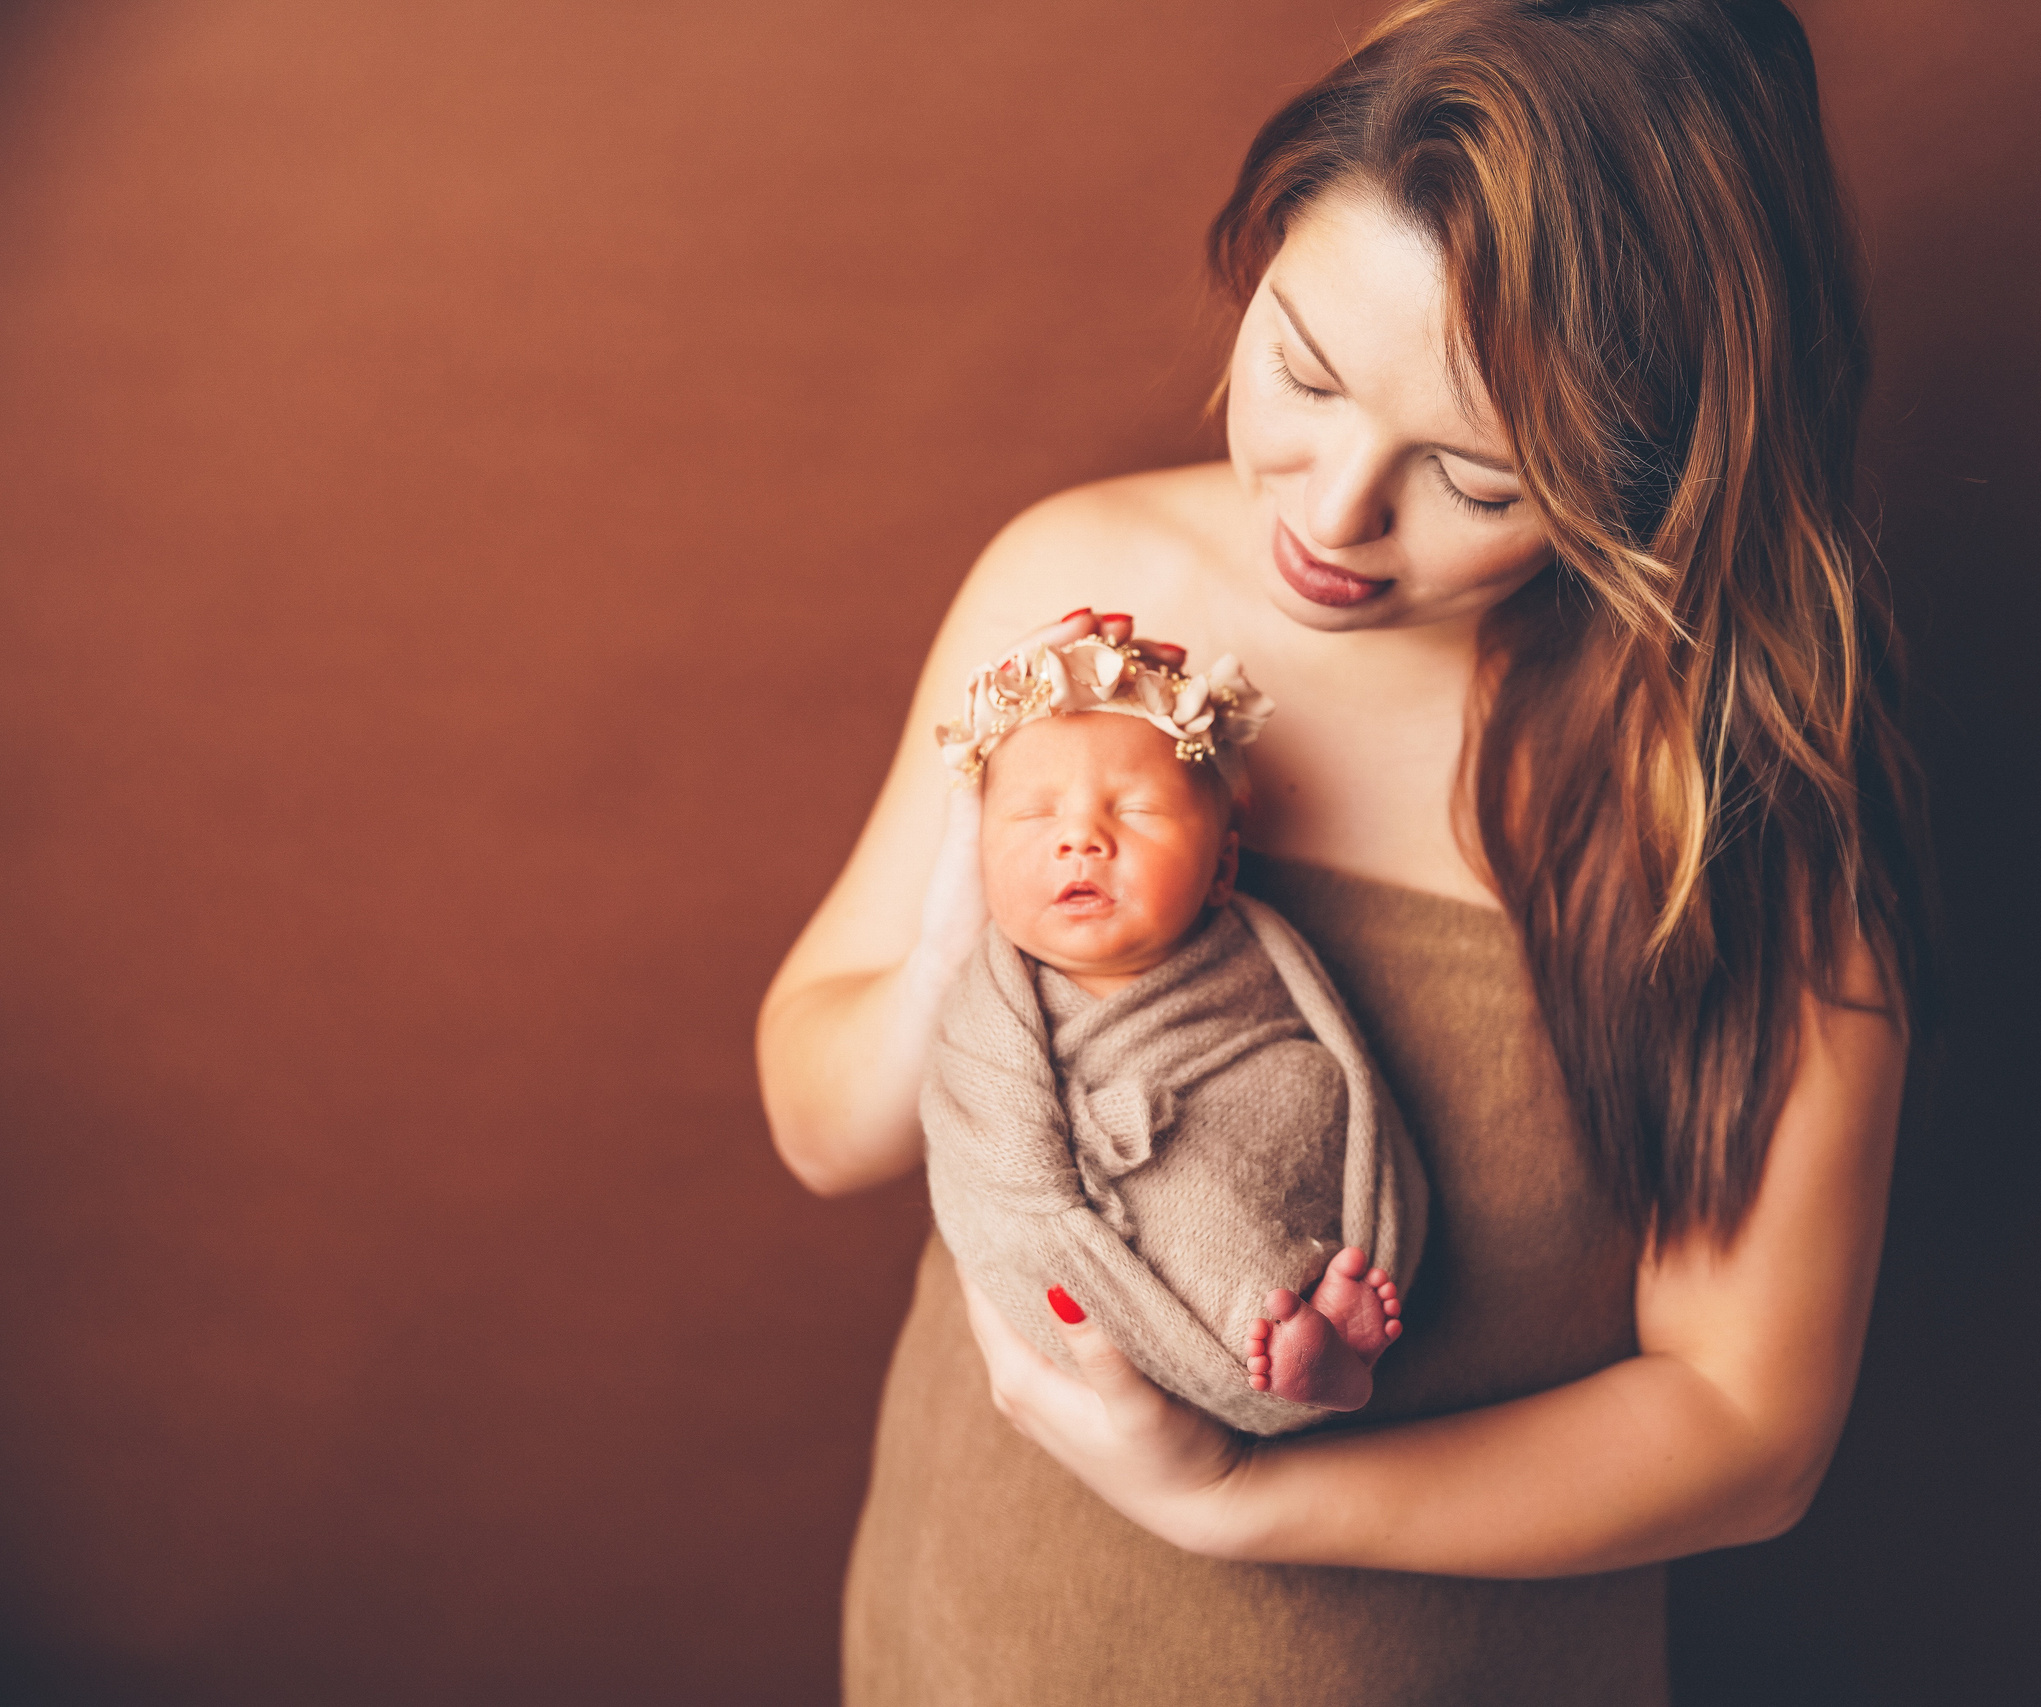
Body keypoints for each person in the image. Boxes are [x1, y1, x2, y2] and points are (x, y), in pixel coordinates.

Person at [757, 0, 1932, 1699]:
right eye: (1300, 369)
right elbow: (819, 1122)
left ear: (1650, 475)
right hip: (971, 1637)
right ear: (1262, 247)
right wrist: (976, 910)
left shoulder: (1733, 810)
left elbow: (1749, 1425)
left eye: (1473, 477)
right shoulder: (1079, 579)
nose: (1328, 508)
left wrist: (1244, 1499)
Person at [923, 625, 1421, 1426]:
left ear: (1223, 867)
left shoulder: (1247, 950)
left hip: (1241, 1098)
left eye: (1137, 809)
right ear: (979, 856)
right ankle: (1269, 1332)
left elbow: (1317, 1045)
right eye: (1031, 813)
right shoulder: (986, 1009)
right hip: (1117, 1188)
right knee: (1173, 1200)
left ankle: (1315, 1290)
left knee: (1307, 1082)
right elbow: (986, 1143)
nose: (1081, 837)